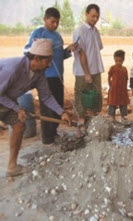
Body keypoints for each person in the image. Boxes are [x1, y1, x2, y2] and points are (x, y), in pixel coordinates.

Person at [0, 39, 71, 177]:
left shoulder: (39, 74)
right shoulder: (14, 68)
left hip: (7, 100)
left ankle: (12, 167)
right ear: (37, 58)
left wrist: (61, 112)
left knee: (19, 125)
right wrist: (16, 108)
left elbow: (46, 96)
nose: (49, 64)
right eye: (47, 61)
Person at [24, 7, 76, 146]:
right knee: (47, 107)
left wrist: (68, 50)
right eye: (52, 22)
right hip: (45, 76)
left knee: (58, 104)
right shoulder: (38, 33)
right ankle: (47, 138)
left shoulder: (58, 36)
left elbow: (60, 56)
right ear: (45, 19)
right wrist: (43, 49)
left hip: (58, 76)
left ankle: (53, 132)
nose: (55, 25)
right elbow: (27, 52)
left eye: (57, 22)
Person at [73, 3, 104, 123]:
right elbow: (81, 53)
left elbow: (97, 49)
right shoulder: (80, 31)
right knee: (81, 99)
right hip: (83, 72)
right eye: (93, 16)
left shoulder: (96, 31)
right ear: (86, 14)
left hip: (96, 70)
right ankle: (81, 123)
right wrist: (87, 73)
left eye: (97, 16)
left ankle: (93, 123)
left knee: (95, 98)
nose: (95, 19)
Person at [107, 50, 129, 121]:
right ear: (114, 59)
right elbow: (109, 77)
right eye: (116, 60)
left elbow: (126, 79)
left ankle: (123, 116)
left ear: (123, 60)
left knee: (123, 103)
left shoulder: (124, 69)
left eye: (120, 61)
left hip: (122, 90)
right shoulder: (113, 68)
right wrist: (110, 85)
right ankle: (112, 117)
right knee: (113, 103)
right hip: (114, 89)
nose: (118, 62)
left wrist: (125, 88)